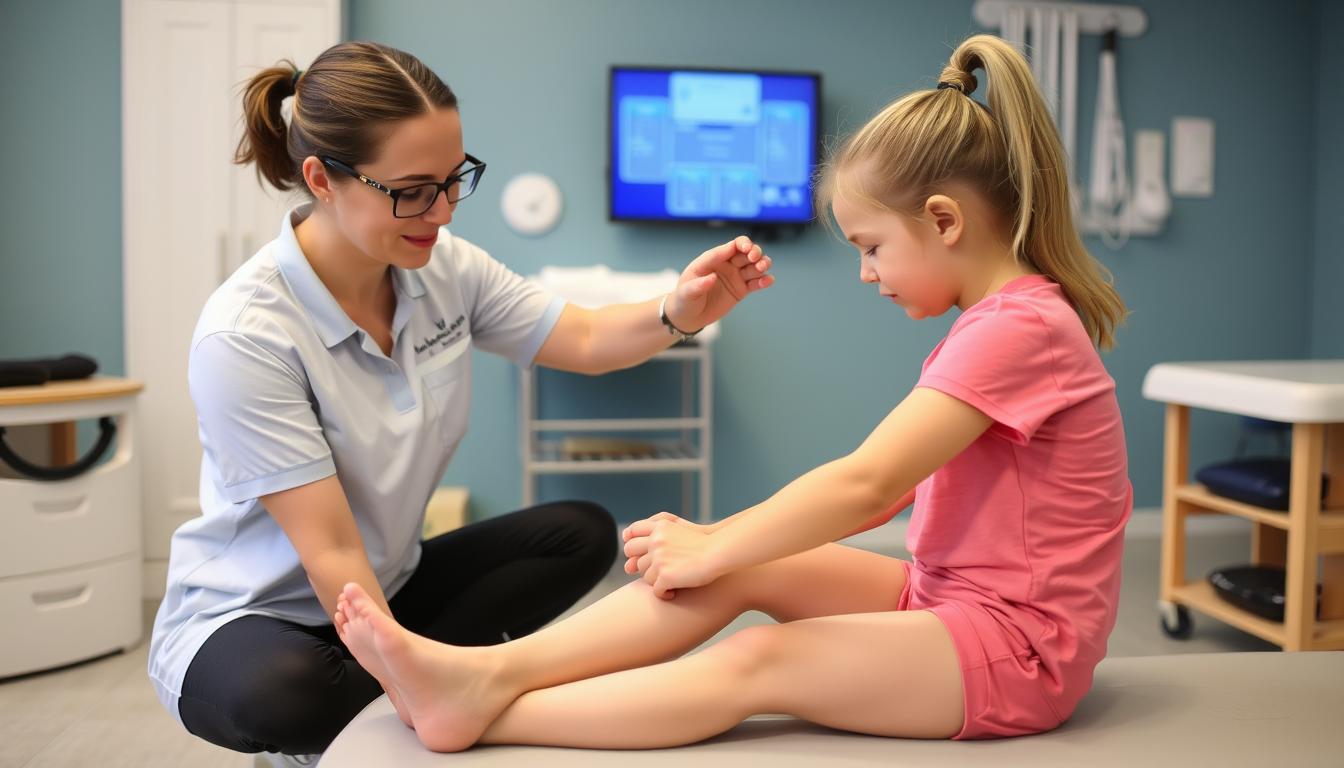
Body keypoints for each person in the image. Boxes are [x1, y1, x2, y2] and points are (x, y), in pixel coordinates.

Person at [331, 33, 1132, 752]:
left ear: (945, 220)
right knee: (725, 574)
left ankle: (485, 712)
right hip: (947, 595)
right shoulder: (1002, 321)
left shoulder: (1019, 330)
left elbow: (871, 485)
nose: (867, 272)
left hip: (1020, 649)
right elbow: (882, 495)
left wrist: (716, 539)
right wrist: (719, 551)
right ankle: (489, 672)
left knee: (759, 659)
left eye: (873, 247)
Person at [146, 40, 775, 759]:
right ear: (321, 179)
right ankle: (442, 697)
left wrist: (682, 311)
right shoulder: (248, 335)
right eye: (412, 189)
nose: (441, 211)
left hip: (388, 582)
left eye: (454, 180)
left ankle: (456, 687)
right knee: (287, 692)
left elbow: (589, 337)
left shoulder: (442, 267)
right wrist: (407, 672)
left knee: (582, 531)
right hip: (253, 619)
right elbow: (330, 547)